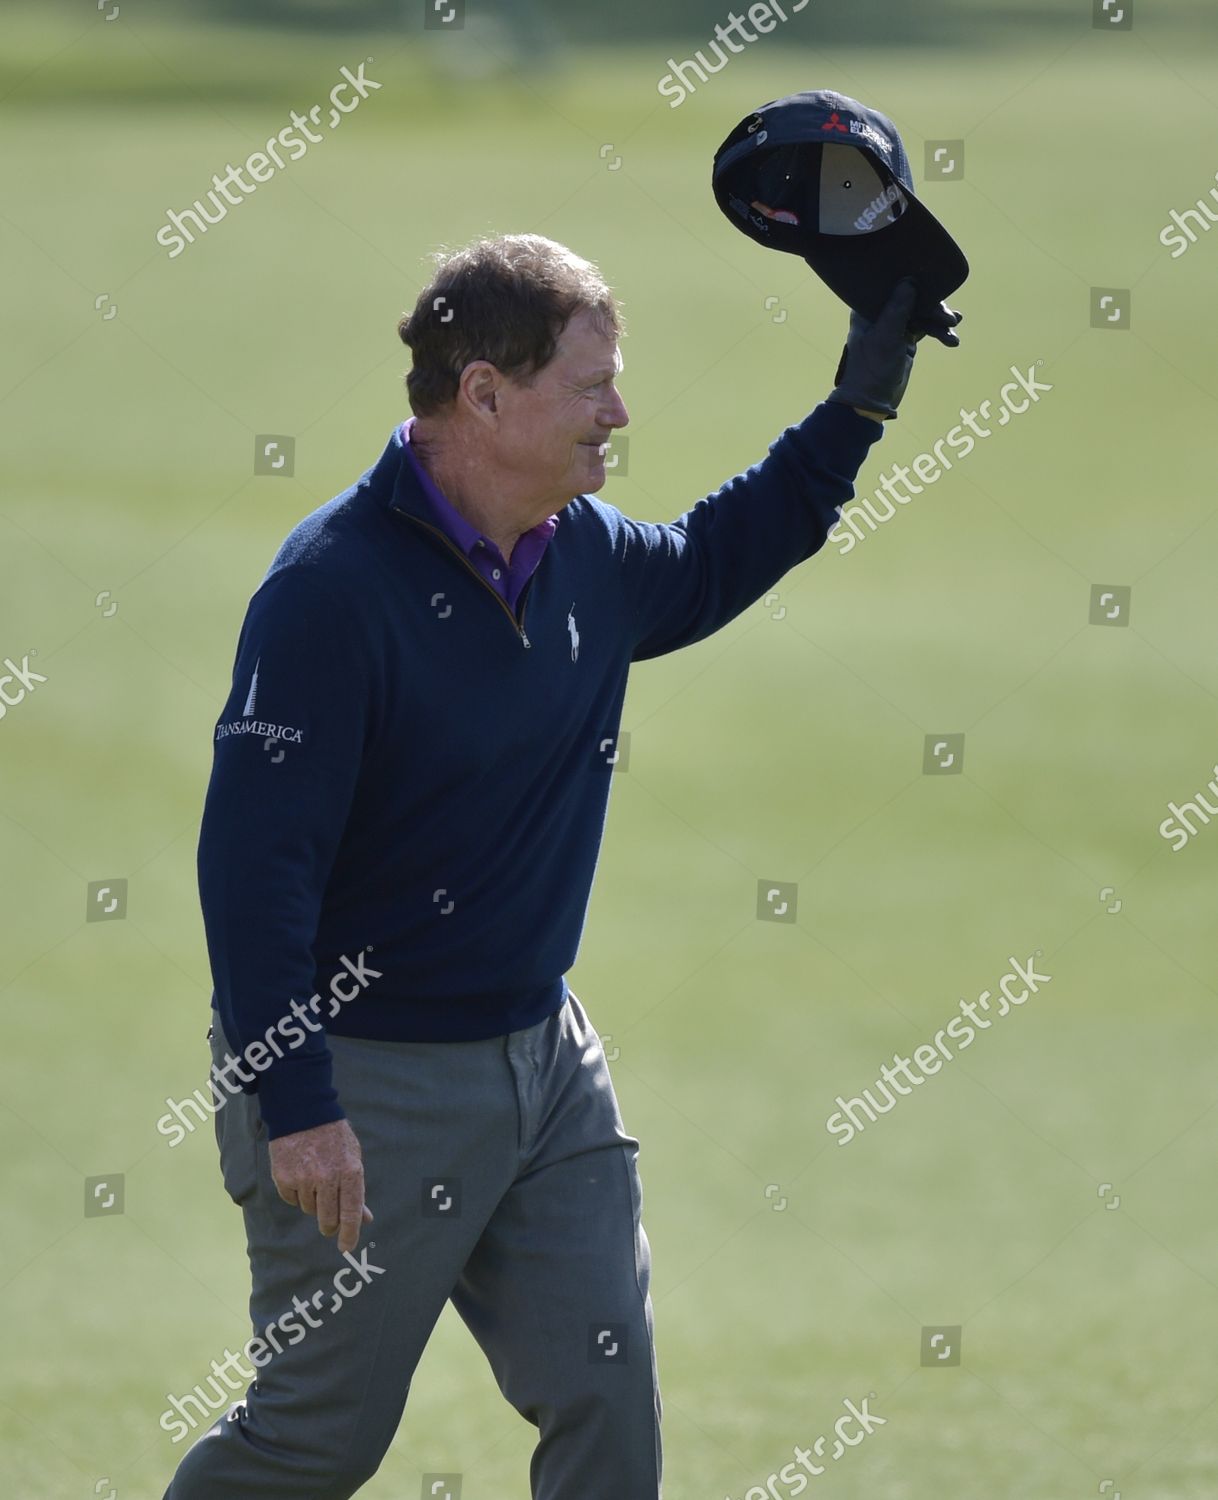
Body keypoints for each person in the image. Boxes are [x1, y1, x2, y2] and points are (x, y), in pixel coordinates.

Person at [163, 232, 952, 1500]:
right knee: (313, 1444)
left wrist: (864, 393)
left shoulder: (577, 547)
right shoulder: (328, 592)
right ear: (482, 393)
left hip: (547, 1067)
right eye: (591, 389)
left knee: (605, 1394)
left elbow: (717, 554)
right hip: (368, 1083)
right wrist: (297, 1103)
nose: (620, 414)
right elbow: (253, 870)